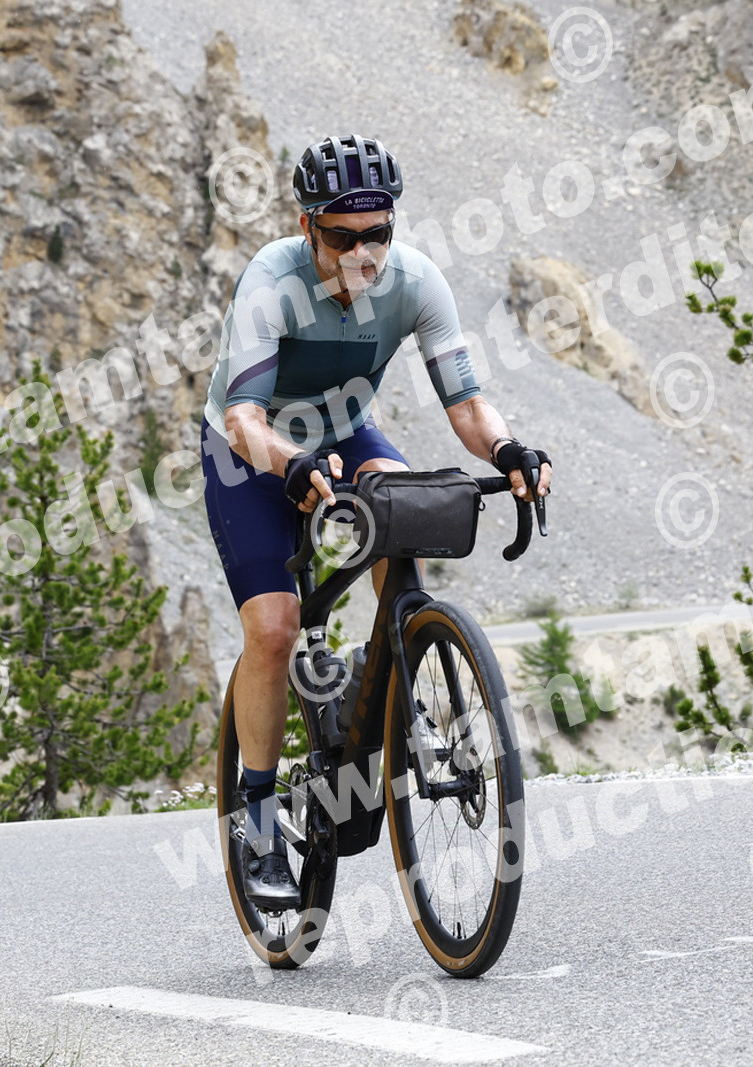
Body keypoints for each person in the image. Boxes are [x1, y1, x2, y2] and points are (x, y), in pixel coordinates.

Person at [201, 134, 553, 910]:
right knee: (275, 628)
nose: (362, 254)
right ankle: (256, 820)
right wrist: (290, 463)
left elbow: (466, 404)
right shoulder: (271, 280)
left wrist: (507, 449)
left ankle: (390, 672)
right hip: (251, 451)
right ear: (307, 227)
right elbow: (243, 418)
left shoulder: (416, 281)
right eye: (341, 237)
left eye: (378, 234)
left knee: (409, 505)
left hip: (347, 432)